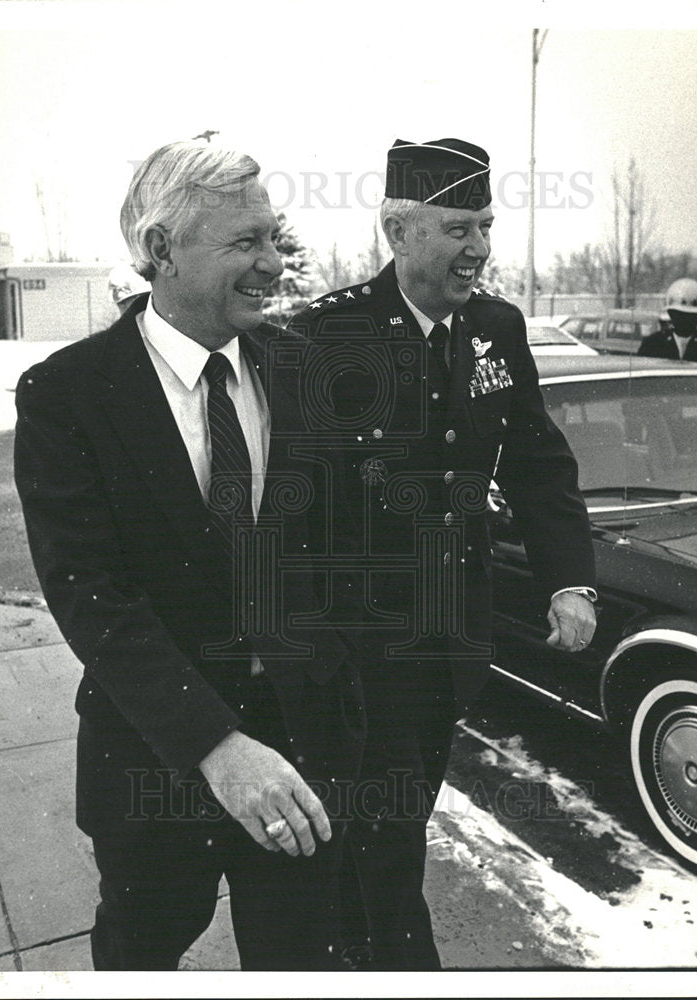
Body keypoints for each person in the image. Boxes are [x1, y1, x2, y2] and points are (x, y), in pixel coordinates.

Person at [14, 139, 366, 971]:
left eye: (274, 240)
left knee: (298, 963)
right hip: (153, 762)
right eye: (246, 243)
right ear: (161, 249)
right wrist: (215, 745)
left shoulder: (306, 371)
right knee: (140, 957)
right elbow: (89, 595)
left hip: (306, 757)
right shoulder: (67, 395)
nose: (273, 264)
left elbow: (343, 556)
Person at [289, 136, 597, 970]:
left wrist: (570, 580)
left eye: (486, 227)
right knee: (382, 846)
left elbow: (535, 460)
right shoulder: (327, 335)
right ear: (398, 231)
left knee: (393, 826)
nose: (479, 249)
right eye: (459, 227)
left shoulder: (497, 327)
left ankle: (358, 951)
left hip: (450, 643)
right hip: (357, 652)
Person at [637, 278, 697, 361]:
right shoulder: (653, 344)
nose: (686, 321)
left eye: (691, 315)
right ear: (671, 314)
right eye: (680, 315)